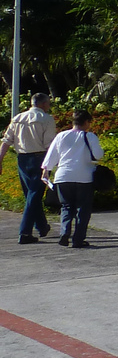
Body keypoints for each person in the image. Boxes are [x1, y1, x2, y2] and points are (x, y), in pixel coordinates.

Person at [0, 93, 58, 244]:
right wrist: (54, 163)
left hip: (22, 159)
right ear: (44, 104)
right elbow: (49, 145)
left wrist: (0, 160)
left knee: (31, 195)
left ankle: (42, 226)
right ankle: (25, 232)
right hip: (40, 159)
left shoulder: (18, 118)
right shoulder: (46, 119)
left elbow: (6, 141)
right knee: (34, 195)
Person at [42, 110, 103, 249]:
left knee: (66, 207)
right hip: (84, 177)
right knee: (83, 209)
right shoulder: (90, 137)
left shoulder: (61, 136)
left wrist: (46, 171)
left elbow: (52, 155)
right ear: (86, 122)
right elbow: (98, 155)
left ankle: (64, 232)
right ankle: (78, 239)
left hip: (63, 177)